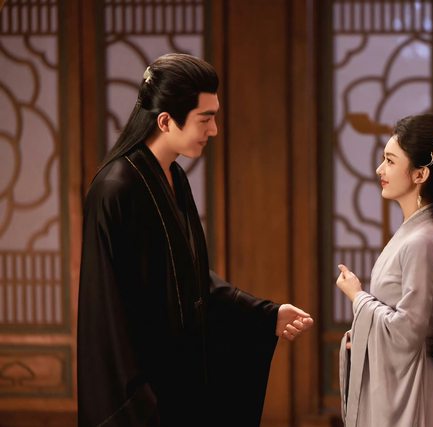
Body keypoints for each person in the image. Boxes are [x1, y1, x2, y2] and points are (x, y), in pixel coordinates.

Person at [77, 53, 313, 427]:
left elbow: (191, 278)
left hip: (180, 382)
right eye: (205, 118)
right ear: (165, 121)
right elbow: (107, 311)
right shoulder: (115, 189)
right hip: (142, 395)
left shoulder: (174, 177)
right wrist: (138, 404)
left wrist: (265, 314)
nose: (214, 129)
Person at [336, 114, 433, 427]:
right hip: (404, 384)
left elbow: (406, 333)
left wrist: (357, 297)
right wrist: (363, 337)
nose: (379, 170)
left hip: (415, 395)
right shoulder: (414, 234)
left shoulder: (422, 241)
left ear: (420, 173)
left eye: (390, 161)